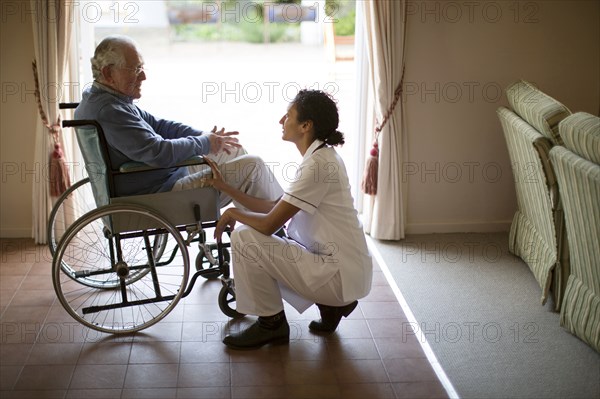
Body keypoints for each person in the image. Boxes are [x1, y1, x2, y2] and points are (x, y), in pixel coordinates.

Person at [205, 89, 373, 349]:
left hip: (339, 275)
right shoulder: (320, 157)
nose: (281, 121)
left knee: (244, 237)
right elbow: (275, 207)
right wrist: (225, 189)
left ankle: (271, 324)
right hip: (344, 269)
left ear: (306, 126)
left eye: (288, 116)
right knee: (257, 234)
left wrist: (232, 212)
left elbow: (270, 223)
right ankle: (332, 307)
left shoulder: (318, 165)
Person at [75, 35, 282, 207]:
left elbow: (160, 125)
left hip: (160, 178)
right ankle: (277, 221)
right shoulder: (110, 111)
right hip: (159, 192)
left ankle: (265, 222)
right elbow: (159, 152)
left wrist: (204, 137)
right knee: (252, 166)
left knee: (231, 150)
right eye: (136, 69)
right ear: (108, 73)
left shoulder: (107, 99)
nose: (144, 76)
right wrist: (205, 143)